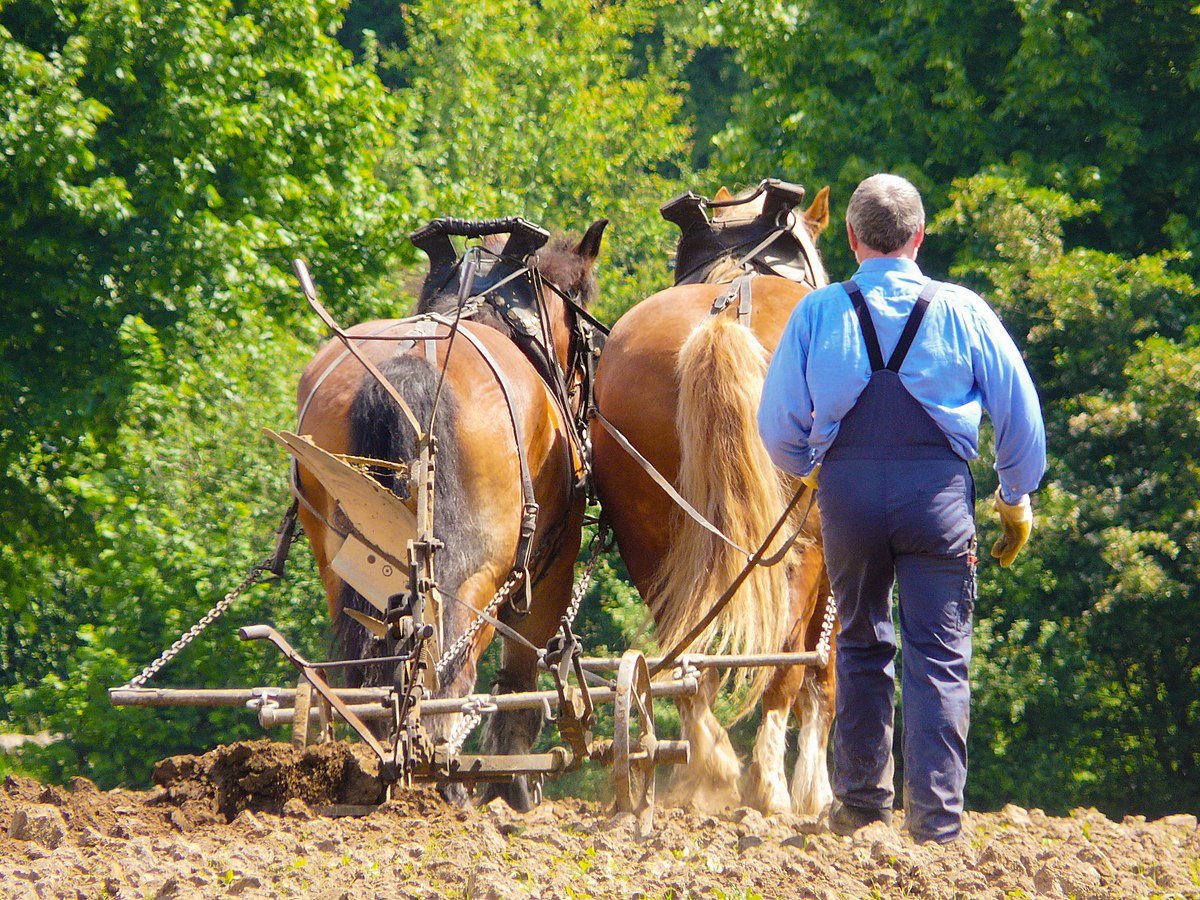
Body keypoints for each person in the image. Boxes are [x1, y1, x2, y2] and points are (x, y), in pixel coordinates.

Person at [757, 173, 1046, 844]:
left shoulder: (818, 312)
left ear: (852, 240)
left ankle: (860, 804)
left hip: (848, 499)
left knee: (859, 641)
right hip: (936, 498)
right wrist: (1013, 495)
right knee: (939, 657)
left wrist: (812, 468)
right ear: (920, 237)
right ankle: (936, 826)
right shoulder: (963, 309)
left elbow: (777, 426)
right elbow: (1019, 414)